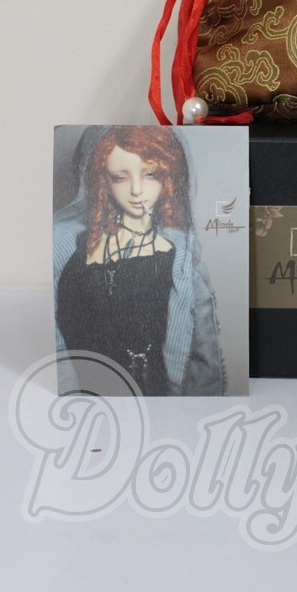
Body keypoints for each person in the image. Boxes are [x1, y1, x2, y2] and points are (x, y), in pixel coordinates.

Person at [54, 126, 225, 395]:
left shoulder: (180, 259)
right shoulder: (73, 251)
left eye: (150, 174)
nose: (136, 190)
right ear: (103, 181)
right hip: (91, 398)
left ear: (169, 176)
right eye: (120, 177)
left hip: (158, 394)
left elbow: (205, 356)